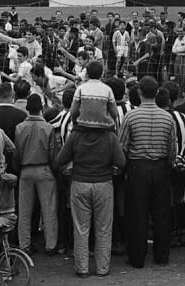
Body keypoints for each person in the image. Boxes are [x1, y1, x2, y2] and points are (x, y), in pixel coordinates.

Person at [57, 101, 126, 278]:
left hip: (80, 183)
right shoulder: (110, 137)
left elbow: (60, 160)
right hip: (104, 184)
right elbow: (122, 162)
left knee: (81, 228)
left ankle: (82, 268)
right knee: (103, 228)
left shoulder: (75, 136)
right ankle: (102, 268)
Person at [119, 76, 176, 268]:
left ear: (139, 93)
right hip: (160, 167)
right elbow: (172, 149)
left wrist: (125, 167)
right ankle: (162, 255)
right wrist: (168, 164)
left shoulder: (131, 117)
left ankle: (137, 257)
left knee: (137, 213)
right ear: (157, 93)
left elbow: (122, 147)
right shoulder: (168, 117)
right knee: (161, 213)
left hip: (137, 168)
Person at [13, 94, 58, 255]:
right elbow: (53, 154)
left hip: (25, 169)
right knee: (49, 208)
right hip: (44, 169)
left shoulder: (19, 128)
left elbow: (16, 153)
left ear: (27, 108)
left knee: (24, 210)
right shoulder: (48, 128)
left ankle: (24, 244)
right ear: (41, 108)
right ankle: (51, 244)